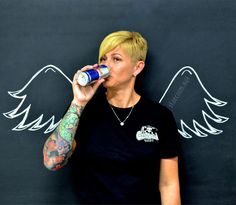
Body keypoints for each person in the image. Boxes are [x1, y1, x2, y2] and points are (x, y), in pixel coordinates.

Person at [43, 30, 181, 204]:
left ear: (137, 67)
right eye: (103, 59)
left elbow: (169, 185)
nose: (106, 66)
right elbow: (52, 161)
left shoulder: (160, 116)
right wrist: (78, 102)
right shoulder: (83, 111)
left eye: (116, 59)